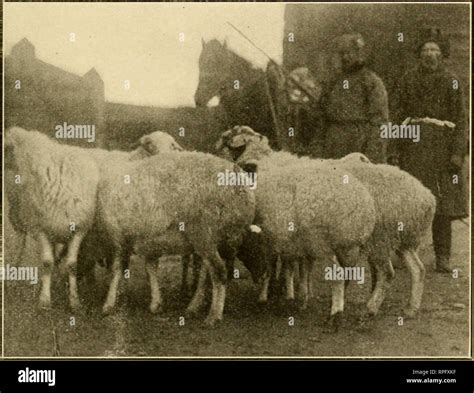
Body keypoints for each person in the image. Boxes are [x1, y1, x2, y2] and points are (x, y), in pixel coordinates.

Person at [390, 28, 468, 273]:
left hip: (443, 149)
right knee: (409, 202)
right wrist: (394, 149)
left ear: (442, 54)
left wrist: (457, 154)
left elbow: (461, 120)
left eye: (435, 50)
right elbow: (397, 115)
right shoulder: (407, 80)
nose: (430, 54)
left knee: (442, 205)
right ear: (419, 54)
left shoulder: (452, 81)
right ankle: (404, 252)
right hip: (413, 146)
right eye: (425, 50)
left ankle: (443, 256)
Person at [321, 33, 389, 163]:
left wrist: (372, 153)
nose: (345, 57)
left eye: (349, 53)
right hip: (333, 143)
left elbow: (380, 121)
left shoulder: (371, 81)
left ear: (359, 54)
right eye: (342, 53)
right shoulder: (332, 82)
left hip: (359, 142)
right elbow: (321, 116)